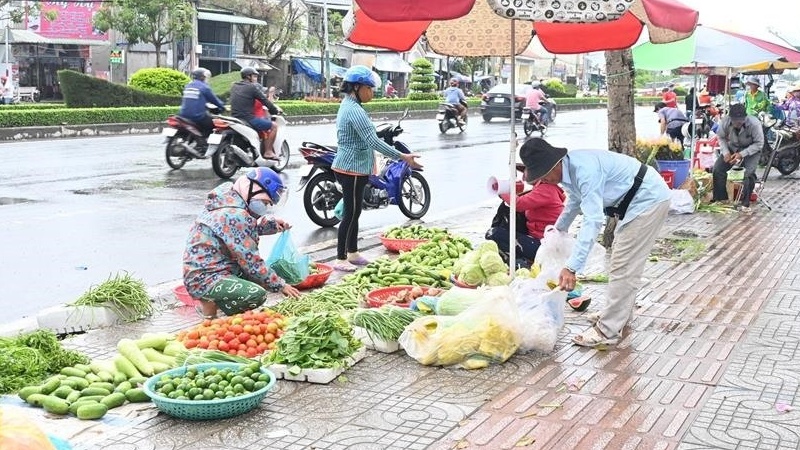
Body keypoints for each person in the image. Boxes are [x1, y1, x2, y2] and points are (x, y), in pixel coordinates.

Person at [519, 137, 670, 347]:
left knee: (623, 264)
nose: (544, 180)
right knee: (624, 263)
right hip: (637, 202)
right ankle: (618, 315)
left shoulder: (584, 171)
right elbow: (573, 202)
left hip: (648, 199)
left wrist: (572, 267)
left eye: (544, 175)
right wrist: (557, 230)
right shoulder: (567, 171)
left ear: (554, 164)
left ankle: (607, 331)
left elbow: (593, 220)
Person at [333, 65, 422, 271]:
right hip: (350, 167)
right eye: (369, 88)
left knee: (355, 212)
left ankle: (353, 252)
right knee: (350, 212)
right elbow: (372, 140)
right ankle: (340, 257)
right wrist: (402, 156)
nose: (372, 93)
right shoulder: (353, 110)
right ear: (357, 87)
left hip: (355, 166)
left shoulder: (351, 105)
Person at [183, 167, 301, 319]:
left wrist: (269, 225)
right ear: (251, 189)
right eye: (265, 202)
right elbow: (251, 262)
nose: (264, 207)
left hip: (203, 272)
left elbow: (234, 233)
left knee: (257, 278)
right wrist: (280, 285)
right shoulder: (235, 214)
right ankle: (212, 306)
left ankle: (211, 313)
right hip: (205, 278)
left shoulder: (226, 200)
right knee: (255, 294)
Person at [485, 176, 566, 267]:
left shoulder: (546, 189)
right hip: (539, 239)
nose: (523, 176)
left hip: (545, 247)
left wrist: (502, 190)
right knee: (507, 215)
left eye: (525, 171)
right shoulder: (541, 189)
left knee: (493, 234)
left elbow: (518, 204)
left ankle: (521, 263)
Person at [711, 103, 764, 214]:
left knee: (748, 175)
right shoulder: (725, 121)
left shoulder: (754, 124)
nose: (738, 123)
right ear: (730, 118)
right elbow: (720, 137)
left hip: (751, 150)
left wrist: (742, 154)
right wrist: (725, 152)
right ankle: (721, 199)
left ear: (745, 117)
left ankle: (745, 203)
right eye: (735, 120)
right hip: (732, 147)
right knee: (718, 169)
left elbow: (759, 144)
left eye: (740, 120)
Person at [230, 67, 281, 161]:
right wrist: (274, 110)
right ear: (248, 76)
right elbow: (264, 100)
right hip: (248, 118)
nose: (255, 79)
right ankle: (268, 152)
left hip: (234, 118)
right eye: (254, 76)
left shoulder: (234, 85)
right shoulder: (252, 87)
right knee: (274, 126)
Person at [178, 68, 225, 153]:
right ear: (202, 77)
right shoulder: (204, 87)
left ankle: (195, 140)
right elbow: (214, 100)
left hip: (183, 114)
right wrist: (222, 107)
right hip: (196, 116)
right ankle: (202, 144)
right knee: (212, 124)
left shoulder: (188, 85)